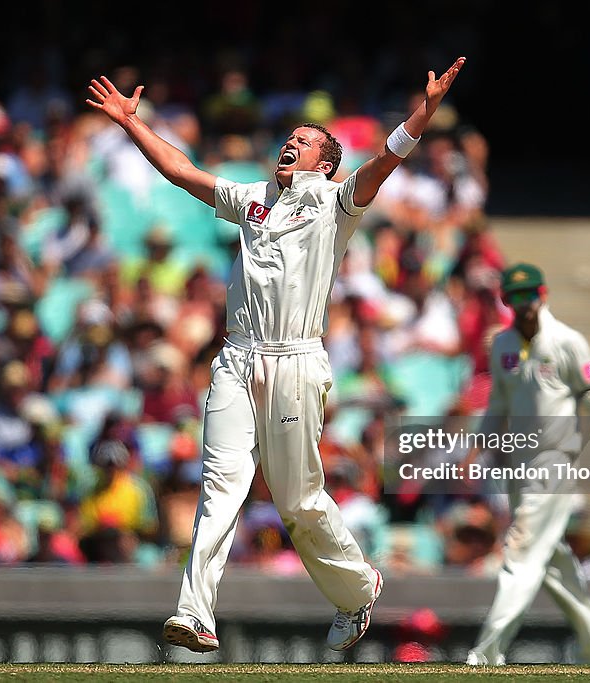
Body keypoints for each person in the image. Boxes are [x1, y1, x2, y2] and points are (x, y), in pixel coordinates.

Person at [85, 56, 466, 652]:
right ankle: (195, 613)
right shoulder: (252, 199)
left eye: (305, 142)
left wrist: (427, 110)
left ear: (326, 161)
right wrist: (131, 124)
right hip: (237, 359)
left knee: (297, 500)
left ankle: (357, 591)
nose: (291, 145)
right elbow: (182, 172)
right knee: (221, 485)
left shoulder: (338, 203)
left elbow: (389, 158)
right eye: (289, 138)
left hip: (294, 362)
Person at [461, 262, 590, 665]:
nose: (524, 303)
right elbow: (497, 404)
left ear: (543, 294)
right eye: (515, 297)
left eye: (529, 294)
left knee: (519, 552)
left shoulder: (568, 341)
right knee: (552, 564)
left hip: (554, 462)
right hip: (519, 461)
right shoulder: (502, 346)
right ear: (507, 302)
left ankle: (488, 651)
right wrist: (472, 452)